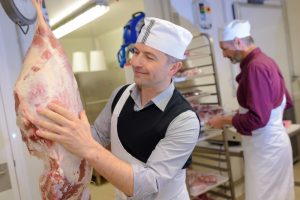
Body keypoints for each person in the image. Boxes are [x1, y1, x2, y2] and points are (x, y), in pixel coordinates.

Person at [34, 17, 200, 199]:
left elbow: (147, 184)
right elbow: (97, 135)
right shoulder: (120, 95)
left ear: (174, 68)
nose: (136, 62)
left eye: (149, 57)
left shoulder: (184, 120)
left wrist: (88, 148)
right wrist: (60, 128)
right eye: (136, 52)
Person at [208, 20, 295, 200]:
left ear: (238, 42)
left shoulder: (255, 68)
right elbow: (285, 100)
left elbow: (257, 119)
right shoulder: (266, 61)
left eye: (225, 48)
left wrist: (225, 120)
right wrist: (272, 119)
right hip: (273, 145)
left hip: (266, 150)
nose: (224, 55)